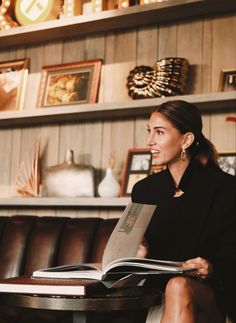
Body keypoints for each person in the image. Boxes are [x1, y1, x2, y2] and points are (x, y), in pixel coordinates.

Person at [132, 100, 236, 323]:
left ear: (186, 140)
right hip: (160, 299)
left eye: (159, 132)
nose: (150, 141)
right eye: (149, 132)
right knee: (175, 287)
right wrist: (139, 255)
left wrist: (212, 267)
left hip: (215, 298)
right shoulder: (144, 190)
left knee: (179, 286)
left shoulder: (227, 188)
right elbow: (140, 267)